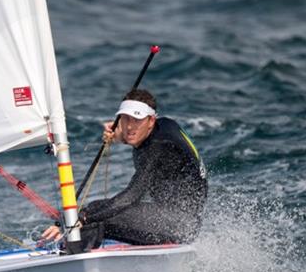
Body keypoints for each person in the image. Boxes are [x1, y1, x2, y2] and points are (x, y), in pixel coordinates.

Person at [41, 89, 207, 248]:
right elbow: (141, 138)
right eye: (125, 119)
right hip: (172, 217)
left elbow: (131, 196)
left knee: (98, 220)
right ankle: (67, 240)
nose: (129, 127)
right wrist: (121, 137)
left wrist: (84, 219)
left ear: (150, 121)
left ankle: (72, 257)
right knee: (96, 206)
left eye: (137, 120)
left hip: (180, 225)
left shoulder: (158, 147)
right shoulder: (165, 125)